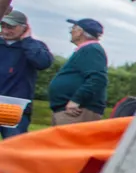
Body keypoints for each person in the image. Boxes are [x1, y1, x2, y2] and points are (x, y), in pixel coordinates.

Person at [0, 10, 53, 138]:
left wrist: (27, 41)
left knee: (14, 148)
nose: (6, 31)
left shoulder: (34, 46)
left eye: (11, 27)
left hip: (13, 107)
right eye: (4, 26)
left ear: (24, 28)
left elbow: (43, 63)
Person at [47, 17, 108, 126]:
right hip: (69, 110)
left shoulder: (91, 49)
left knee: (66, 142)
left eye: (73, 28)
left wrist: (76, 100)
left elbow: (98, 79)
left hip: (77, 112)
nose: (71, 31)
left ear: (80, 32)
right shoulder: (87, 50)